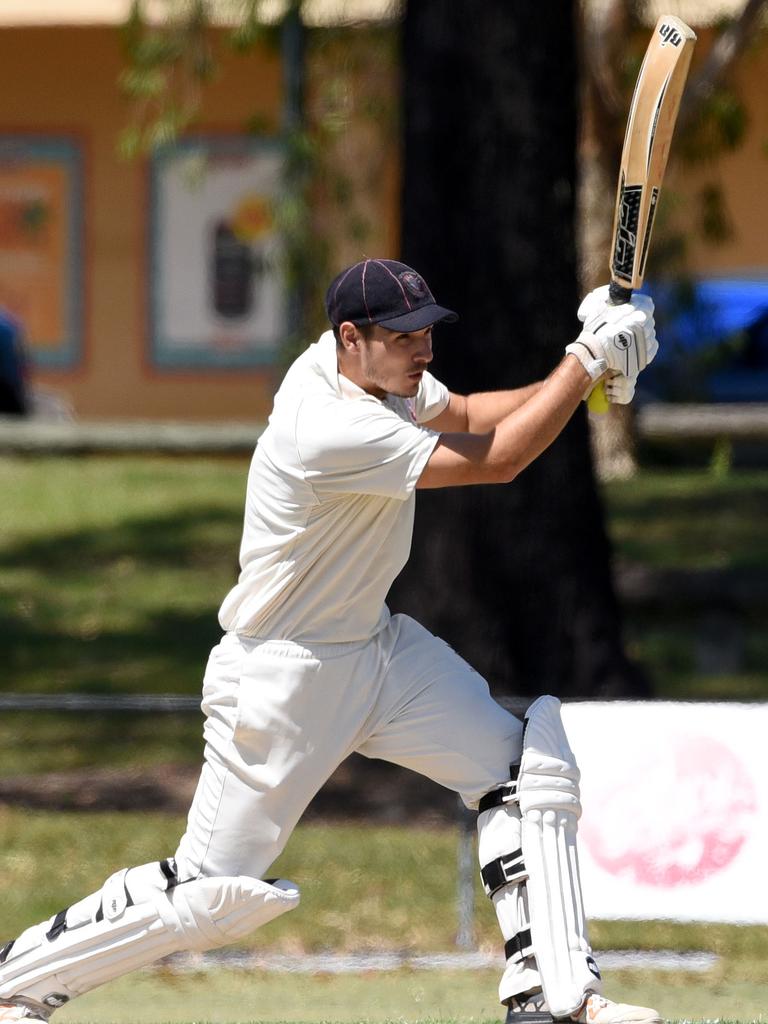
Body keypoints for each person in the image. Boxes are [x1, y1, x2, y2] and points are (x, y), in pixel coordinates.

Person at [0, 259, 659, 1024]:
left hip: (373, 651)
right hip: (284, 680)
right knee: (211, 891)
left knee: (524, 767)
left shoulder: (381, 381)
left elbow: (476, 415)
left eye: (428, 333)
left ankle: (554, 994)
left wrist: (586, 355)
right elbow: (502, 459)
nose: (426, 351)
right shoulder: (329, 424)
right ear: (352, 338)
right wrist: (583, 365)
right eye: (407, 336)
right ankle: (18, 982)